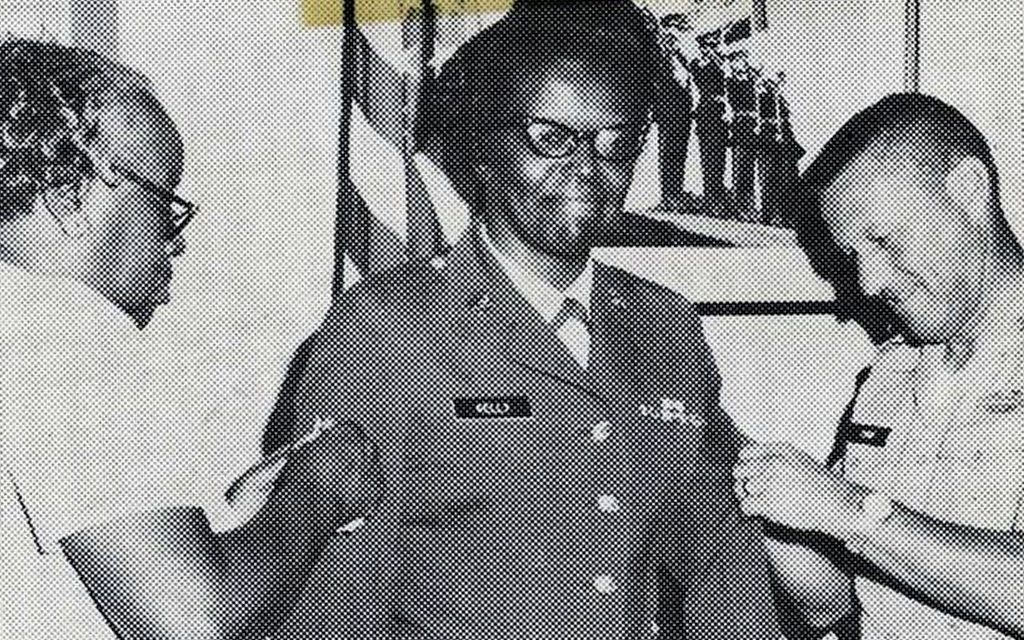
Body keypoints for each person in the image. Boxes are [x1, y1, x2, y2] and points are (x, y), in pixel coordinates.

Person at [268, 2, 780, 638]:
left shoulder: (663, 323)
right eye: (550, 140)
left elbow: (717, 557)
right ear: (484, 149)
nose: (587, 166)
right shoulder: (385, 328)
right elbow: (331, 583)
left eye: (615, 144)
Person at [1, 39, 380, 640]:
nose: (175, 241)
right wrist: (319, 483)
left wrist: (248, 515)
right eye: (164, 204)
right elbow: (194, 619)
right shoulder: (61, 338)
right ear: (72, 198)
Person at [734, 93, 1024, 640]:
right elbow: (835, 606)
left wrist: (846, 508)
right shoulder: (888, 376)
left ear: (968, 192)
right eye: (853, 257)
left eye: (886, 242)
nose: (869, 282)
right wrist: (754, 487)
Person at [689, 30, 729, 217]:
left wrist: (719, 61)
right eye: (706, 46)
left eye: (713, 46)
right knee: (707, 156)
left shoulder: (724, 64)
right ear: (701, 48)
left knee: (719, 156)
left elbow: (729, 82)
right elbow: (697, 80)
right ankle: (709, 197)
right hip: (705, 112)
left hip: (720, 113)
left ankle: (718, 198)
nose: (710, 49)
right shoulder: (697, 64)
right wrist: (711, 62)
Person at [726, 51, 759, 220]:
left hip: (753, 127)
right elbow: (732, 101)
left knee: (750, 167)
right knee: (740, 166)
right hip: (740, 126)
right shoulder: (730, 82)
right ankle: (739, 207)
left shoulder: (753, 81)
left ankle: (749, 205)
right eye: (736, 61)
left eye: (742, 60)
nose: (740, 63)